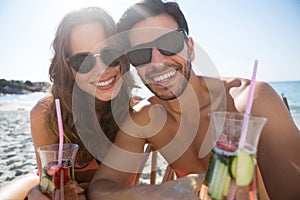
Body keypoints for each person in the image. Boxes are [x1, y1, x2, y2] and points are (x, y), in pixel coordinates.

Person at [87, 0, 300, 200]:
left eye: (168, 43)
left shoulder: (253, 100)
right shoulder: (146, 119)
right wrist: (163, 191)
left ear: (190, 47)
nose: (158, 62)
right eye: (140, 54)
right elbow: (100, 188)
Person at [0, 7, 135, 200]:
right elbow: (48, 184)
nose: (101, 69)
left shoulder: (136, 114)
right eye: (82, 61)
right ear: (67, 68)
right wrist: (46, 191)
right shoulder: (46, 114)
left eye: (109, 54)